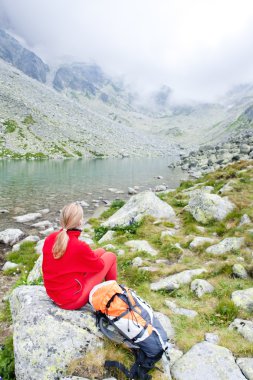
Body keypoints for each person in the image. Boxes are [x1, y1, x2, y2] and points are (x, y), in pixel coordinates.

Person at [42, 202, 117, 310]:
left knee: (100, 251)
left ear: (61, 220)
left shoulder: (50, 238)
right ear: (80, 221)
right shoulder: (79, 246)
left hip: (54, 294)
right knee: (110, 256)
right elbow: (99, 266)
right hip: (70, 301)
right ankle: (114, 296)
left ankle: (112, 294)